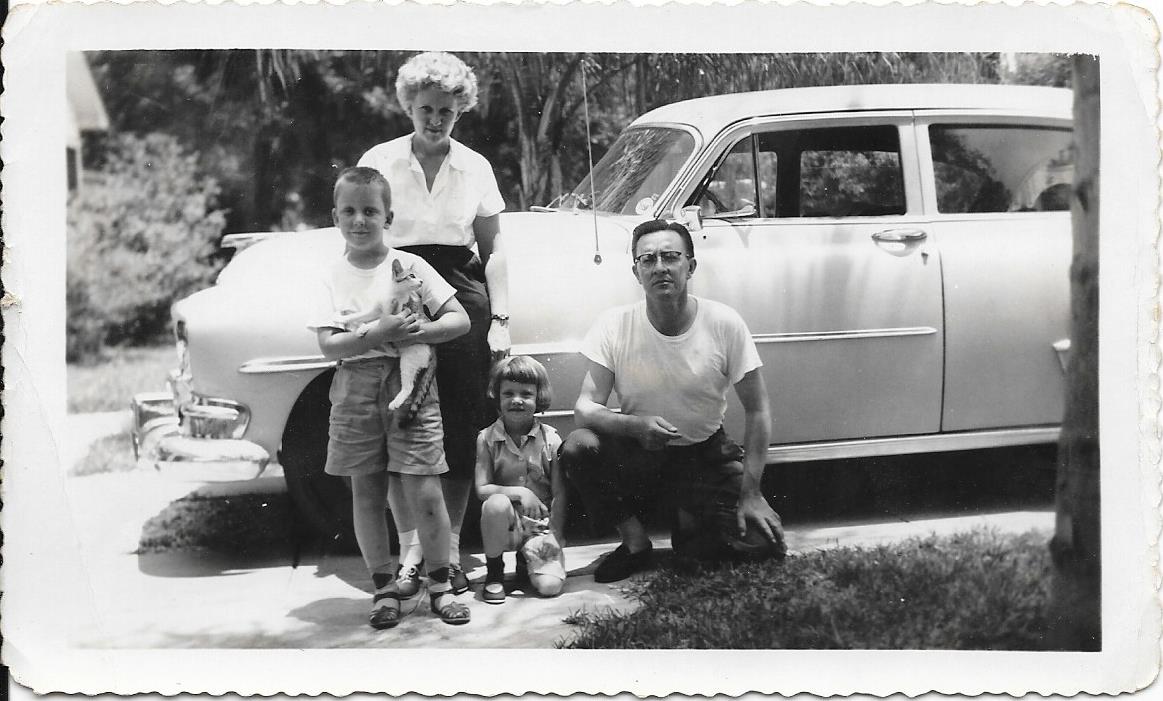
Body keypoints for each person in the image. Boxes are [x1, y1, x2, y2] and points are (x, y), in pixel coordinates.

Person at [559, 219, 788, 583]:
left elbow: (758, 410)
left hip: (704, 454)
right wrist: (634, 425)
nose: (659, 267)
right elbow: (584, 409)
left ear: (691, 266)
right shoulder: (614, 324)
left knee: (762, 545)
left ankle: (690, 524)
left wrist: (751, 493)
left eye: (670, 257)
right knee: (579, 447)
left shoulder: (723, 322)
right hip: (641, 456)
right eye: (647, 260)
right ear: (636, 272)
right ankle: (635, 543)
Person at [358, 52, 509, 597]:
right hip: (397, 284)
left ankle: (449, 555)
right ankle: (411, 555)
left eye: (447, 110)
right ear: (408, 105)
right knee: (403, 422)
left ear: (461, 108)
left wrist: (500, 319)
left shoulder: (476, 166)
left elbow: (493, 252)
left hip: (460, 296)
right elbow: (363, 232)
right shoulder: (379, 158)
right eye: (425, 108)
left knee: (461, 423)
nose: (435, 120)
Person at [309, 167, 472, 628]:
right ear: (335, 216)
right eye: (349, 211)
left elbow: (459, 320)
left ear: (388, 217)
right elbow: (328, 345)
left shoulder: (411, 266)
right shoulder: (330, 276)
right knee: (366, 491)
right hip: (355, 387)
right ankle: (384, 589)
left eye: (370, 211)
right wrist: (377, 332)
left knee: (424, 487)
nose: (360, 220)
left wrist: (421, 329)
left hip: (413, 383)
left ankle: (439, 585)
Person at [474, 356, 568, 604]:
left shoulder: (551, 439)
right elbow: (482, 489)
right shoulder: (486, 439)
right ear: (497, 396)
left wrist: (554, 535)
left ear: (539, 398)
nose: (516, 400)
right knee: (494, 504)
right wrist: (520, 492)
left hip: (541, 526)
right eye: (508, 393)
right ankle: (495, 573)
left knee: (549, 587)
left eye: (526, 393)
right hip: (507, 525)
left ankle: (526, 560)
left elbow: (560, 493)